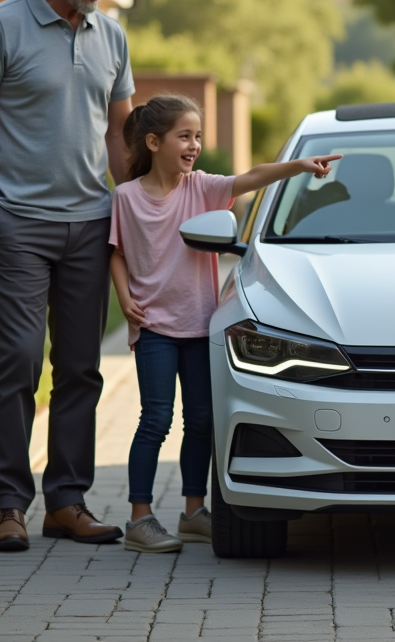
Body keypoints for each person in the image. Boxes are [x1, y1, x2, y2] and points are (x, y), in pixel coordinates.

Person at [0, 0, 135, 552]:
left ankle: (67, 502)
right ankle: (7, 505)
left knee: (82, 368)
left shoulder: (111, 37)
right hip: (19, 227)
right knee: (20, 359)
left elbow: (119, 132)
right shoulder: (0, 25)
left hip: (90, 225)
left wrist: (135, 214)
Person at [109, 95, 340, 553]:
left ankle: (194, 513)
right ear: (153, 142)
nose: (194, 145)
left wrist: (297, 166)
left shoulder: (202, 188)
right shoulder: (126, 197)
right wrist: (124, 297)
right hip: (154, 327)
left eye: (197, 136)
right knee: (155, 420)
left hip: (200, 326)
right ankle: (139, 518)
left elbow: (250, 177)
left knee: (200, 421)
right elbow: (116, 252)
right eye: (184, 136)